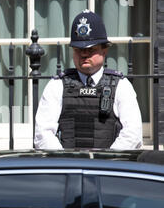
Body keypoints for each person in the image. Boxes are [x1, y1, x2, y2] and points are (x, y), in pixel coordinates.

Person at [34, 10, 142, 150]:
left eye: (91, 50)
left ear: (104, 51)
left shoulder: (121, 86)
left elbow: (133, 134)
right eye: (78, 50)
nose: (84, 54)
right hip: (67, 167)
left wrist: (106, 162)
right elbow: (43, 134)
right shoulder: (56, 86)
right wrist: (65, 161)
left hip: (107, 167)